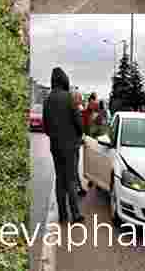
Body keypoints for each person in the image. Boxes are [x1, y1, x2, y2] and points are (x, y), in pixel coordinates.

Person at [43, 68, 85, 223]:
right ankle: (75, 214)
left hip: (55, 146)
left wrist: (55, 136)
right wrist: (77, 135)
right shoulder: (69, 98)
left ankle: (62, 215)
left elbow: (45, 126)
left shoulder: (47, 99)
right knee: (71, 179)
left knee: (60, 179)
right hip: (70, 146)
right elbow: (79, 124)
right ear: (64, 80)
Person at [73, 92, 88, 197]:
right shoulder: (76, 109)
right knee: (73, 167)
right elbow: (79, 127)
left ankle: (77, 187)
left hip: (70, 143)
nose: (81, 100)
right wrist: (81, 139)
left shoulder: (72, 108)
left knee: (72, 167)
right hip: (74, 144)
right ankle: (78, 188)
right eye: (80, 99)